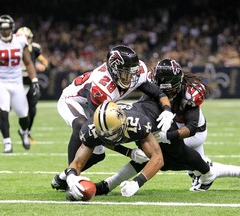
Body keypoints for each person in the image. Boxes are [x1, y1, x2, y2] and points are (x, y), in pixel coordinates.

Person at [94, 58, 240, 195]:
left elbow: (191, 128)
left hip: (193, 133)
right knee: (197, 167)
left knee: (158, 156)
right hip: (171, 124)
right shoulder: (155, 85)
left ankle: (108, 185)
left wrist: (167, 136)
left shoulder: (189, 93)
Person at [51, 45, 174, 190]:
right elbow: (98, 129)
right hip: (73, 100)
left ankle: (64, 176)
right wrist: (129, 152)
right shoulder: (101, 87)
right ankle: (72, 178)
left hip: (99, 105)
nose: (130, 78)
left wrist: (167, 110)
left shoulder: (137, 71)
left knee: (98, 155)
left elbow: (158, 93)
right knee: (81, 126)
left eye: (132, 73)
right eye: (125, 73)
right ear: (113, 70)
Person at [64, 100, 215, 200]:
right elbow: (77, 162)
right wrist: (71, 177)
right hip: (132, 126)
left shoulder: (138, 124)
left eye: (113, 133)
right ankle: (108, 185)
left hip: (154, 121)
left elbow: (158, 158)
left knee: (173, 159)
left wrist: (137, 182)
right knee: (143, 158)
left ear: (123, 123)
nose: (110, 138)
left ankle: (207, 170)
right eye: (105, 135)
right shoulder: (91, 129)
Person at [0, 15, 39, 153]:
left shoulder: (20, 41)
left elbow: (28, 62)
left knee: (24, 115)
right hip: (0, 82)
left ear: (12, 29)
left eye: (8, 29)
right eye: (3, 29)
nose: (6, 32)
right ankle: (7, 143)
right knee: (4, 111)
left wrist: (34, 79)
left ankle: (23, 132)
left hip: (16, 82)